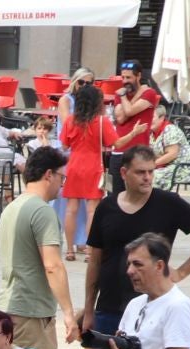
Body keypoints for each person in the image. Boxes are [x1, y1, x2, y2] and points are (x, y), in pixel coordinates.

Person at [81, 149, 190, 349]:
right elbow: (95, 262)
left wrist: (180, 272)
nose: (147, 178)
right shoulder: (107, 206)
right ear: (124, 173)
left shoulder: (169, 203)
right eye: (140, 172)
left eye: (151, 172)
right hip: (110, 308)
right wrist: (89, 309)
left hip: (151, 310)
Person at [0, 148, 78, 349]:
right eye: (62, 177)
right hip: (31, 314)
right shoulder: (42, 211)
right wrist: (68, 313)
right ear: (49, 175)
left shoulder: (12, 207)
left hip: (10, 306)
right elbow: (52, 265)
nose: (62, 183)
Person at [58, 85, 114, 262]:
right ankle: (90, 251)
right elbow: (114, 143)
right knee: (92, 211)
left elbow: (65, 145)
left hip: (74, 165)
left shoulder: (70, 120)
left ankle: (69, 250)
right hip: (93, 167)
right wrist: (135, 133)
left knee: (71, 209)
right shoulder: (101, 121)